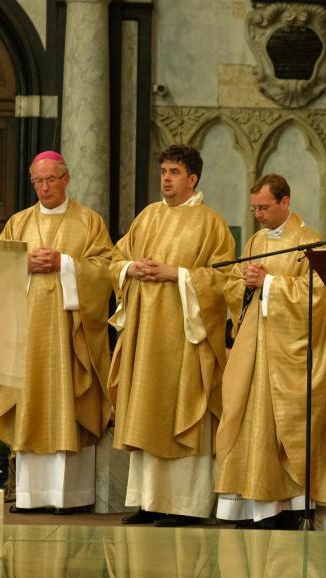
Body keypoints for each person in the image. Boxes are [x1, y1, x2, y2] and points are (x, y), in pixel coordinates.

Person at [109, 144, 235, 526]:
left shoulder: (211, 223)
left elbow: (223, 279)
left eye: (174, 172)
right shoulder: (147, 216)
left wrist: (176, 274)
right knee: (147, 410)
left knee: (182, 411)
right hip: (145, 336)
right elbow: (114, 259)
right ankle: (149, 501)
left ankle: (184, 505)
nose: (166, 178)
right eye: (163, 171)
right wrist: (131, 269)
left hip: (185, 339)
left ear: (192, 178)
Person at [215, 174, 326, 530]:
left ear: (285, 202)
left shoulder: (310, 241)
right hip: (254, 350)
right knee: (248, 423)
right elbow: (232, 286)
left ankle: (287, 505)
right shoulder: (256, 240)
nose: (258, 214)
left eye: (264, 207)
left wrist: (269, 282)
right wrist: (243, 283)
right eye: (254, 207)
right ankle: (253, 504)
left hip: (290, 356)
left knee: (284, 429)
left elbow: (319, 295)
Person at [0, 150, 113, 514]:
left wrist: (66, 264)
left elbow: (105, 268)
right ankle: (30, 497)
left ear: (66, 179)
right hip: (27, 333)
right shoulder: (19, 223)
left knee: (67, 401)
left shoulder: (89, 221)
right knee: (29, 401)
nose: (44, 188)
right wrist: (21, 262)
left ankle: (69, 497)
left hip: (69, 336)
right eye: (38, 181)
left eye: (50, 180)